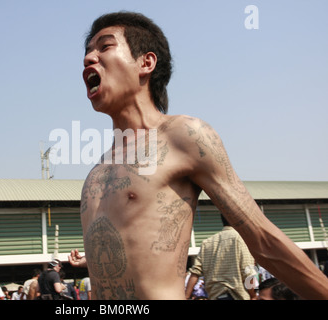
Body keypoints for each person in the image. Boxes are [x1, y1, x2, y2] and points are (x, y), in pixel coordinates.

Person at [68, 11, 328, 299]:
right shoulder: (97, 171)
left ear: (146, 62)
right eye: (88, 52)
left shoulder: (184, 135)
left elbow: (263, 240)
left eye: (104, 47)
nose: (88, 58)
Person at [185, 215, 256, 300]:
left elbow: (195, 272)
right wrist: (253, 295)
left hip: (215, 296)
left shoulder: (207, 243)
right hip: (236, 296)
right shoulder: (242, 239)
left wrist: (186, 296)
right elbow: (247, 272)